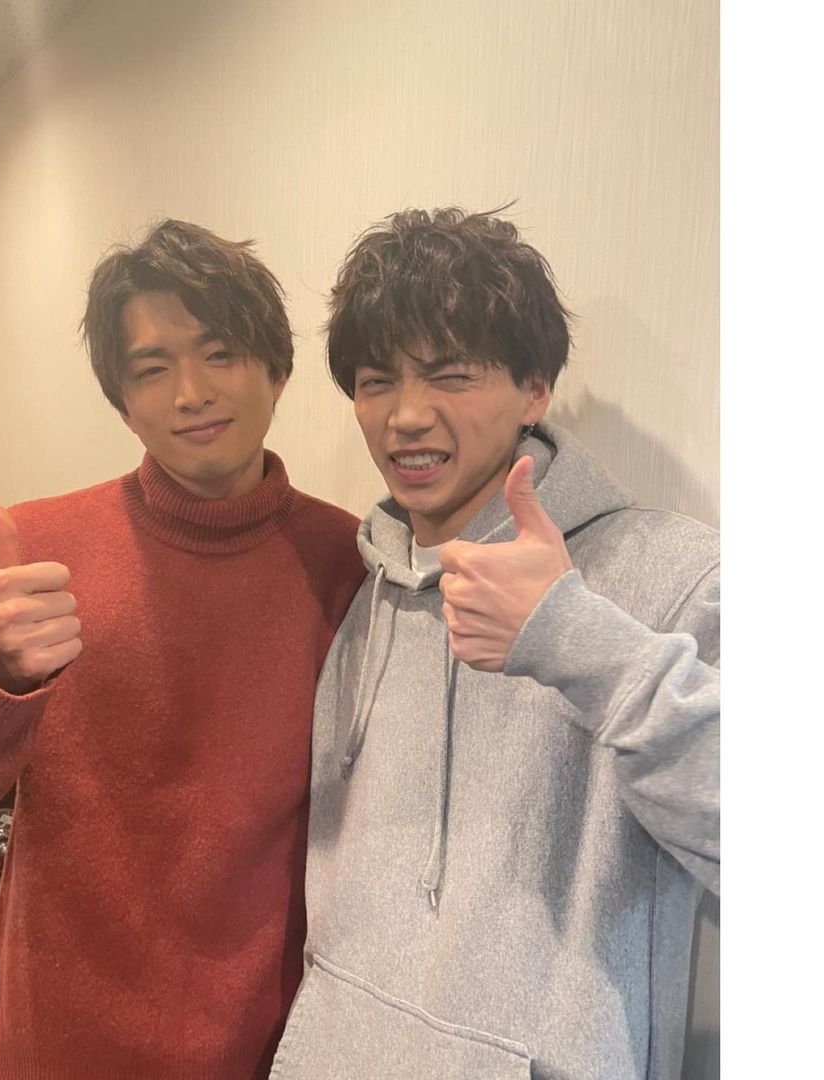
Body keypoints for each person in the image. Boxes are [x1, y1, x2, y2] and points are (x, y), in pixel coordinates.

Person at [270, 208, 719, 1080]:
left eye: (451, 375)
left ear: (535, 389)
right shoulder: (366, 594)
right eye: (375, 381)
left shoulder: (673, 575)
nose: (406, 416)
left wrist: (576, 640)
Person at [0, 219, 365, 1079]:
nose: (192, 392)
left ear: (277, 371)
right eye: (152, 369)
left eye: (221, 353)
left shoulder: (347, 565)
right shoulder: (32, 556)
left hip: (273, 1048)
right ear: (121, 402)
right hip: (64, 1045)